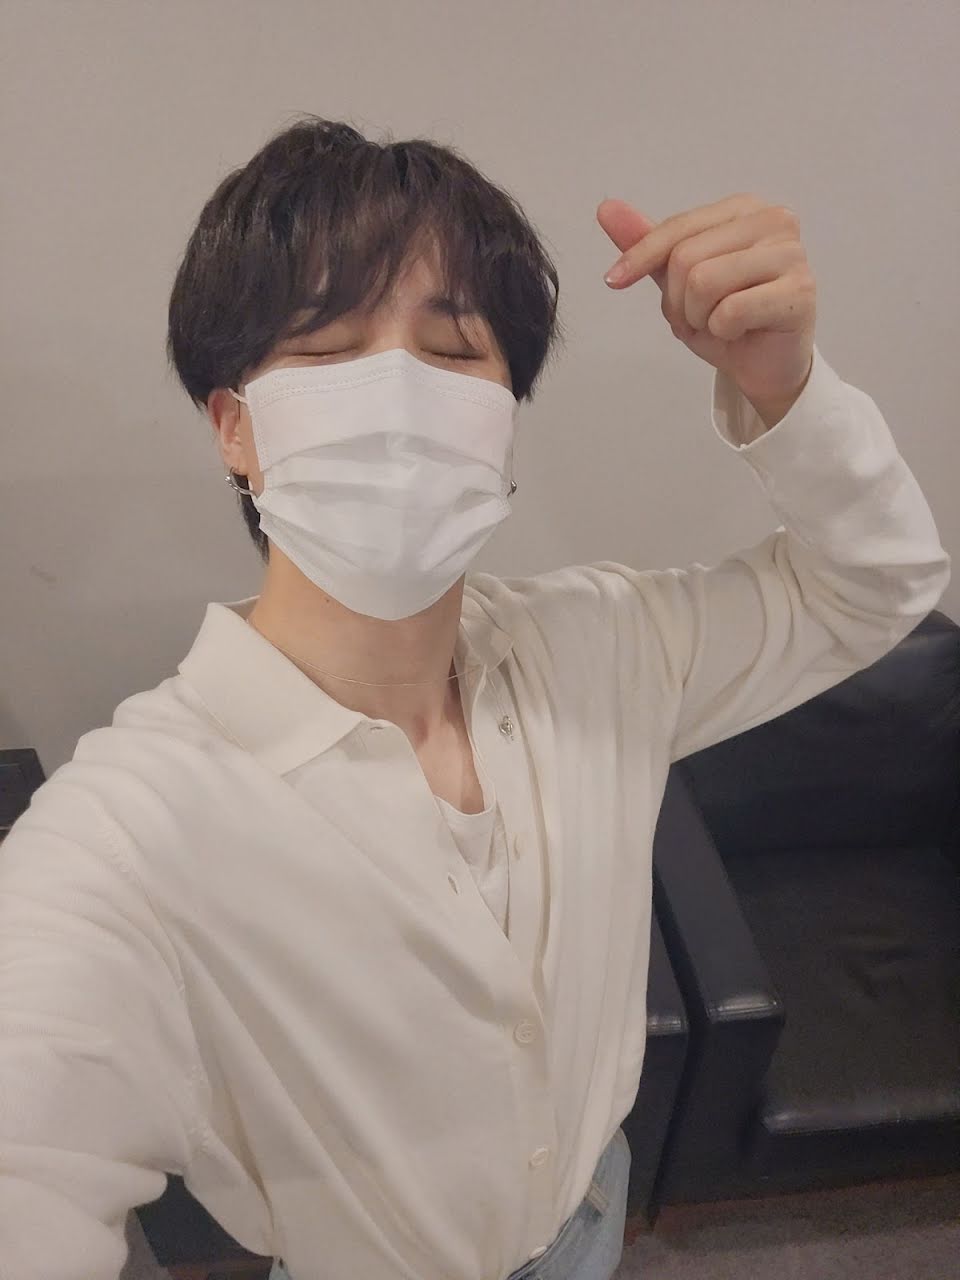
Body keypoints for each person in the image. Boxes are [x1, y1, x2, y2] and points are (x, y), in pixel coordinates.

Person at [0, 113, 950, 1280]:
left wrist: (784, 384)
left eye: (452, 353)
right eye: (329, 348)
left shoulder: (606, 643)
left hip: (593, 1209)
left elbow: (877, 580)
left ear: (503, 422)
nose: (397, 395)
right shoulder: (127, 836)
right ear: (234, 425)